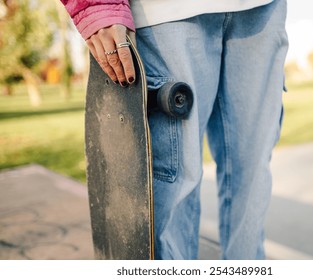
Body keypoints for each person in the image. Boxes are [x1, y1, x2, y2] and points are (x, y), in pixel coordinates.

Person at [60, 0, 288, 260]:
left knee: (253, 178)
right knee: (175, 189)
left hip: (263, 10)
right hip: (164, 12)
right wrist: (96, 5)